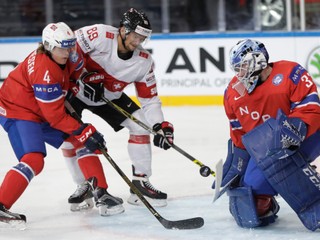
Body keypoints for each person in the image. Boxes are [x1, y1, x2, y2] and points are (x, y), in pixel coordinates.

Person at [0, 22, 124, 225]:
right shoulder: (45, 72)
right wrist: (84, 130)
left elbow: (74, 75)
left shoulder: (68, 55)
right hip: (18, 110)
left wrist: (82, 82)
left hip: (41, 107)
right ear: (48, 46)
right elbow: (55, 117)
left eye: (70, 45)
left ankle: (101, 193)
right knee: (34, 159)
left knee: (80, 142)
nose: (68, 51)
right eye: (62, 47)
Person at [62, 8, 174, 211]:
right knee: (68, 139)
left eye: (143, 37)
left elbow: (149, 99)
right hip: (75, 93)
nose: (138, 40)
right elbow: (69, 49)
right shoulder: (99, 34)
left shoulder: (144, 61)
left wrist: (160, 125)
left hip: (108, 98)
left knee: (141, 126)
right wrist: (84, 75)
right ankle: (84, 185)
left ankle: (140, 184)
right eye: (136, 34)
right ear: (123, 29)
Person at [214, 39, 320, 230]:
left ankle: (302, 171)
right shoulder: (232, 93)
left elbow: (310, 107)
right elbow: (239, 133)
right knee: (253, 194)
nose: (239, 74)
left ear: (258, 60)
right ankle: (271, 201)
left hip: (308, 136)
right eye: (237, 69)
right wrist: (237, 165)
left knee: (288, 162)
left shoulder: (290, 72)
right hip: (269, 149)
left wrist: (297, 127)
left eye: (242, 67)